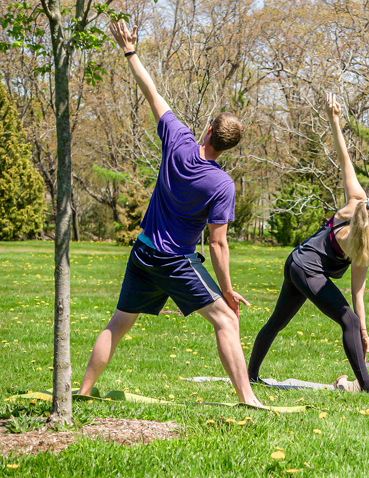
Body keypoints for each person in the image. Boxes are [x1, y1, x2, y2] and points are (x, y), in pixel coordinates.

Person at [78, 20, 264, 408]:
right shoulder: (221, 185)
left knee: (118, 323)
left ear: (209, 130)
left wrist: (130, 51)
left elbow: (152, 91)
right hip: (172, 260)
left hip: (143, 251)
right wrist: (227, 289)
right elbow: (217, 243)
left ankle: (82, 393)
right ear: (228, 146)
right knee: (226, 320)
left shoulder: (178, 141)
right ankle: (248, 398)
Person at [248, 93, 369, 395]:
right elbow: (357, 292)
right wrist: (362, 331)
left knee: (277, 321)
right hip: (306, 270)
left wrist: (335, 119)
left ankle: (250, 375)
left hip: (295, 262)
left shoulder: (357, 200)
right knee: (349, 321)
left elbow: (344, 159)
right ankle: (367, 388)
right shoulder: (362, 246)